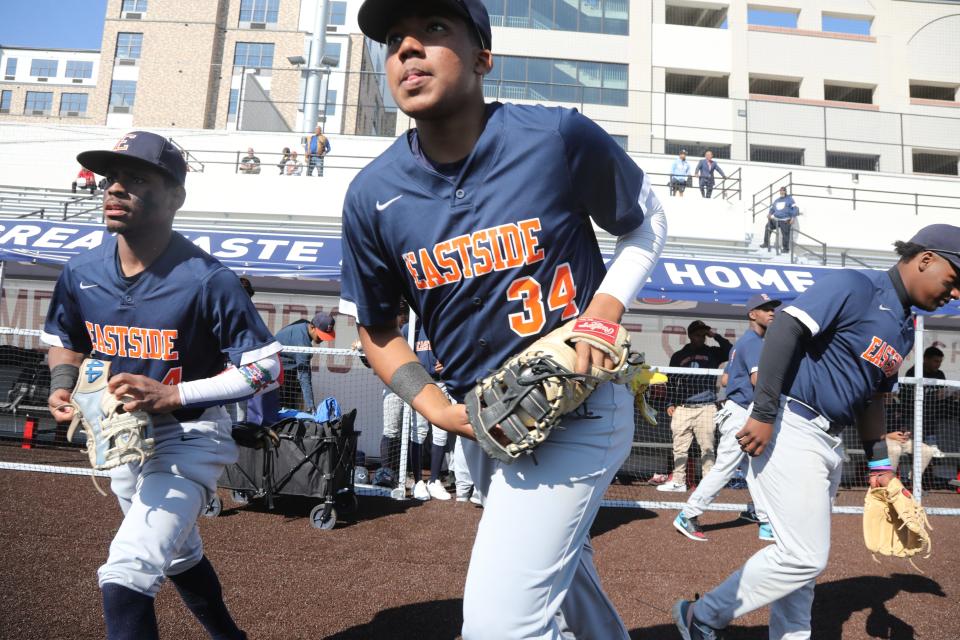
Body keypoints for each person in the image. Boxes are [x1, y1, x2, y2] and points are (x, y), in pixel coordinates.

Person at [341, 0, 668, 636]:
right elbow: (377, 328)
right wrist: (434, 407)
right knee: (565, 583)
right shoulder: (371, 194)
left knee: (500, 623)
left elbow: (646, 221)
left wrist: (604, 309)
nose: (408, 49)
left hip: (581, 404)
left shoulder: (555, 136)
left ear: (483, 56)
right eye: (394, 40)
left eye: (434, 29)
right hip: (485, 422)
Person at [43, 131, 282, 640]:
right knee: (179, 554)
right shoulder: (82, 271)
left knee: (125, 574)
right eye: (111, 179)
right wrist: (62, 384)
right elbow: (64, 338)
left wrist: (175, 394)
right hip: (122, 438)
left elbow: (265, 369)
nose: (115, 189)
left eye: (136, 179)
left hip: (190, 435)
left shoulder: (205, 278)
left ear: (175, 196)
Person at [674, 224, 960, 640]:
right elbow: (786, 327)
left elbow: (874, 398)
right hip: (791, 422)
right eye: (954, 282)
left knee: (799, 560)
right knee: (803, 556)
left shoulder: (902, 327)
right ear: (926, 259)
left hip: (828, 439)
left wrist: (879, 463)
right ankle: (702, 615)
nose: (954, 295)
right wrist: (766, 411)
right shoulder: (855, 285)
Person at [672, 294, 780, 542]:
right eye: (765, 309)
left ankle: (764, 520)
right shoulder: (754, 342)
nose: (771, 312)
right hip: (741, 412)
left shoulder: (746, 342)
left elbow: (724, 379)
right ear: (753, 314)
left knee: (755, 470)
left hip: (737, 410)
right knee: (724, 468)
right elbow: (757, 381)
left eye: (772, 308)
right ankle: (688, 514)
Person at [657, 320, 732, 493]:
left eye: (703, 335)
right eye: (697, 335)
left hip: (706, 406)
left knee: (707, 447)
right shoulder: (679, 355)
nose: (701, 338)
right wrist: (670, 402)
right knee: (679, 447)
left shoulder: (713, 352)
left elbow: (731, 351)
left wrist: (715, 336)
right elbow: (671, 381)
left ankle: (709, 484)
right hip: (683, 407)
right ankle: (678, 481)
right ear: (690, 335)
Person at [274, 312, 336, 413]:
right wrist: (311, 405)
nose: (322, 339)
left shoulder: (304, 324)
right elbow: (304, 377)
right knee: (284, 413)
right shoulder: (303, 345)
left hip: (285, 368)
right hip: (277, 372)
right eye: (321, 335)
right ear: (312, 327)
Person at [762, 187, 799, 252]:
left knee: (785, 234)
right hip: (776, 220)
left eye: (783, 191)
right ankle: (766, 243)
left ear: (785, 191)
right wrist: (770, 214)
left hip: (785, 220)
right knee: (768, 226)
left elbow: (795, 209)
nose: (781, 192)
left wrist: (793, 218)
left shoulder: (790, 199)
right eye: (780, 191)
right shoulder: (777, 200)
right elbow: (772, 208)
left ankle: (785, 249)